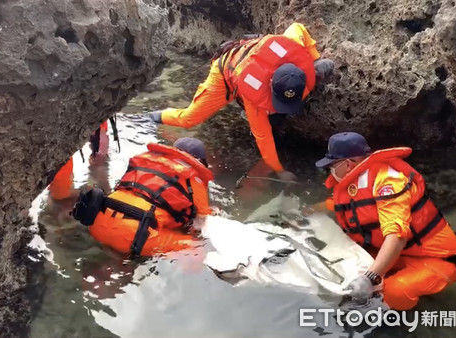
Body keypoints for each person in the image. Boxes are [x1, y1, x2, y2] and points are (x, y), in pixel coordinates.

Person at [149, 23, 335, 181]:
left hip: (251, 67)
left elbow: (297, 27)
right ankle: (153, 118)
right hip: (225, 76)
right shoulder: (254, 99)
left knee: (275, 120)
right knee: (189, 119)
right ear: (270, 85)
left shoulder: (292, 48)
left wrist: (315, 58)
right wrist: (279, 171)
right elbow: (263, 139)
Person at [313, 131, 456, 310]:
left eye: (332, 165)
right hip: (403, 253)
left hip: (435, 258)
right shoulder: (357, 181)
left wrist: (369, 278)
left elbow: (396, 236)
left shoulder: (388, 183)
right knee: (345, 265)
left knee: (394, 292)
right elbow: (345, 205)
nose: (330, 170)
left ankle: (397, 320)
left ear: (347, 164)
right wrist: (310, 211)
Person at [72, 137, 214, 256]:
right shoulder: (194, 178)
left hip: (97, 222)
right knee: (197, 248)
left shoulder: (144, 160)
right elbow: (202, 222)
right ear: (200, 161)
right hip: (135, 237)